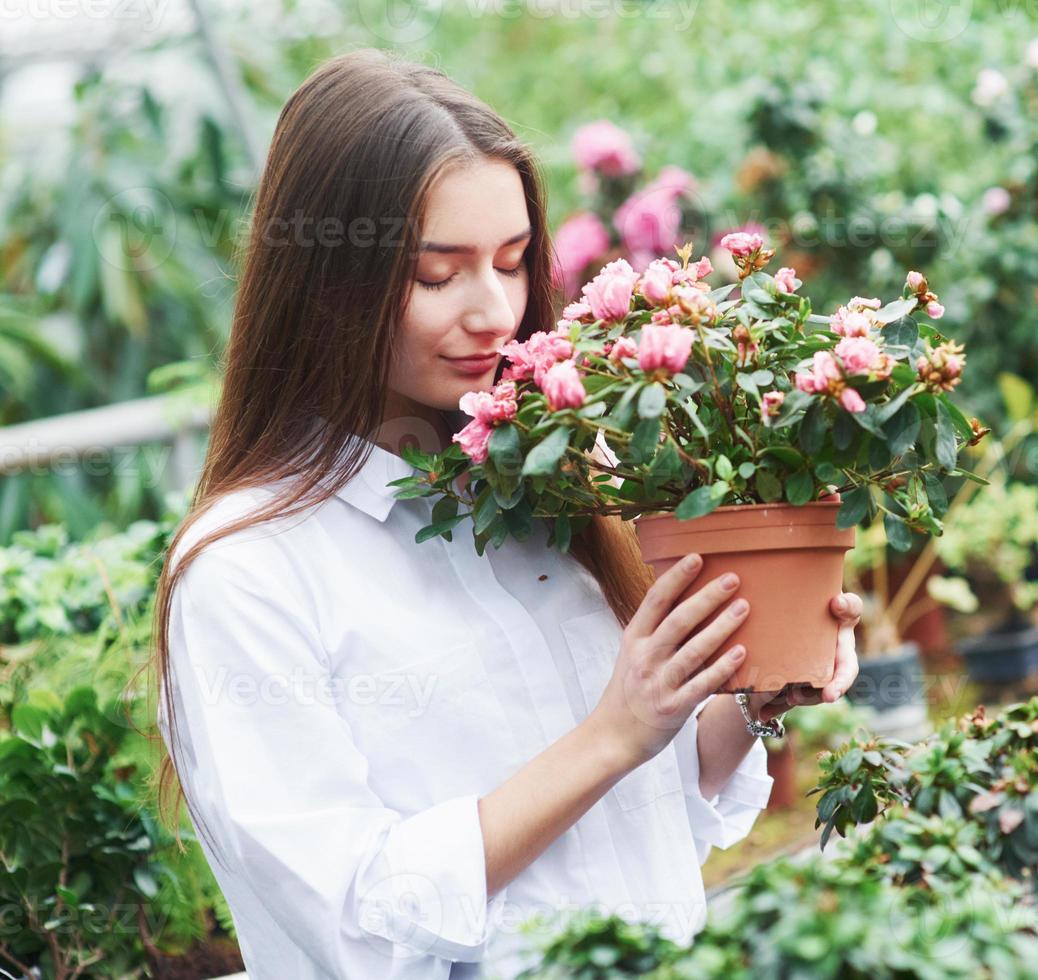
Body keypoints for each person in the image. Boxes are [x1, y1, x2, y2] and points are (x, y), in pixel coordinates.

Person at [150, 49, 862, 980]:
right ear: (324, 282)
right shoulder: (249, 571)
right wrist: (613, 731)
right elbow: (354, 921)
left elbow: (641, 823)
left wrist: (746, 694)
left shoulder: (546, 485)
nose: (495, 311)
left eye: (514, 263)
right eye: (438, 274)